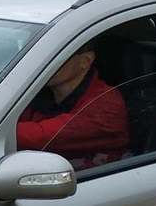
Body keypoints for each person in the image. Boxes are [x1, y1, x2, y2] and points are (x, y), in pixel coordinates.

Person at [16, 41, 130, 170]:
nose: (43, 63)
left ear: (85, 61)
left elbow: (39, 137)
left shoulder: (106, 105)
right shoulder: (40, 93)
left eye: (55, 56)